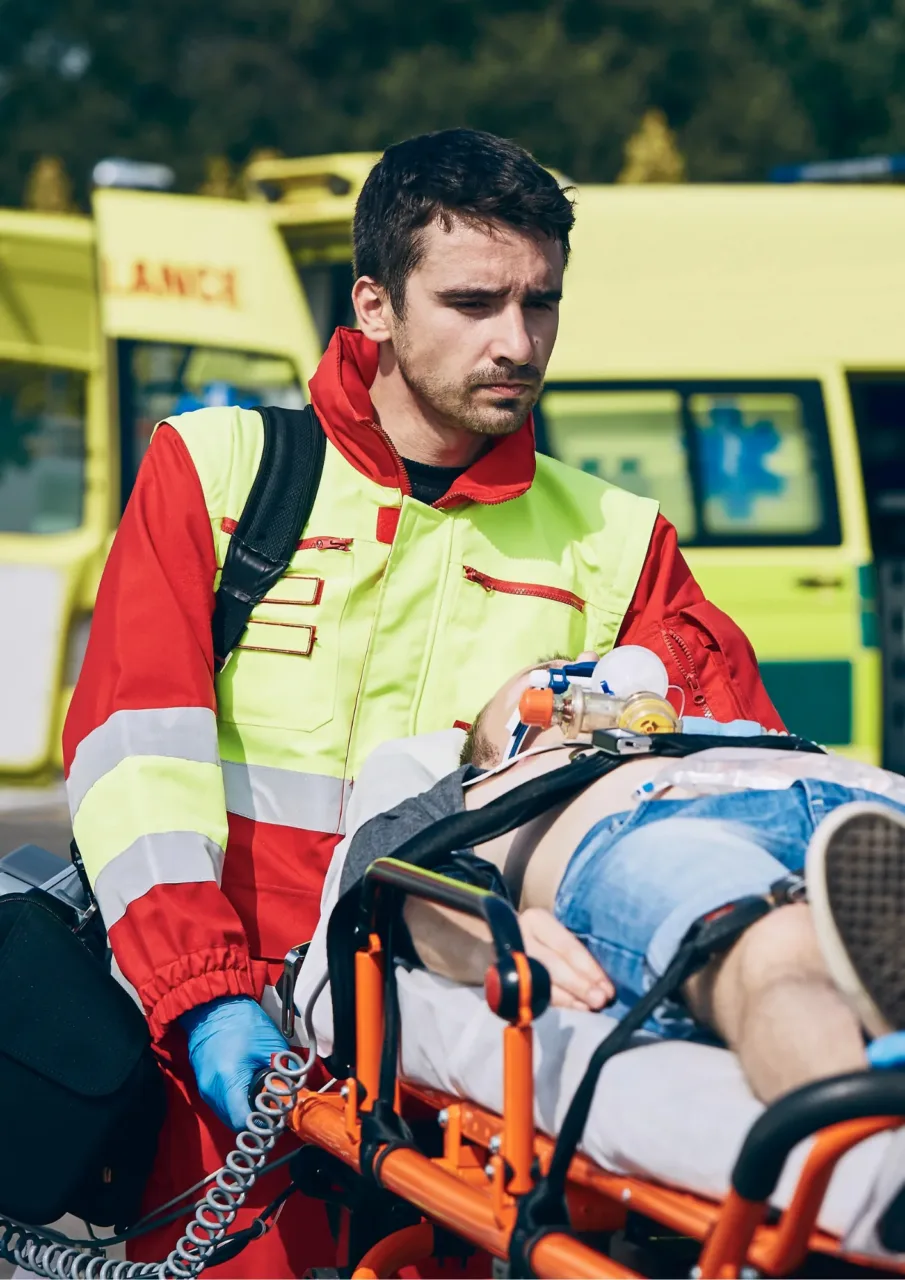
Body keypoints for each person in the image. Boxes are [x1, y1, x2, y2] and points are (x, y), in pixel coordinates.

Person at [63, 129, 781, 1275]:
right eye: (473, 300)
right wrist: (202, 997)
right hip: (223, 1065)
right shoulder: (219, 469)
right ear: (375, 304)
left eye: (539, 301)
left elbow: (720, 761)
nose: (517, 340)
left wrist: (566, 716)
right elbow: (132, 759)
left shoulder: (612, 539)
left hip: (469, 1103)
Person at [335, 657, 905, 1105]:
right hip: (652, 828)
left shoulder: (739, 734)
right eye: (558, 678)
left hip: (856, 810)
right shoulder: (485, 789)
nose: (594, 668)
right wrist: (489, 941)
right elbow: (381, 872)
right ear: (497, 750)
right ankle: (871, 1137)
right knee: (776, 948)